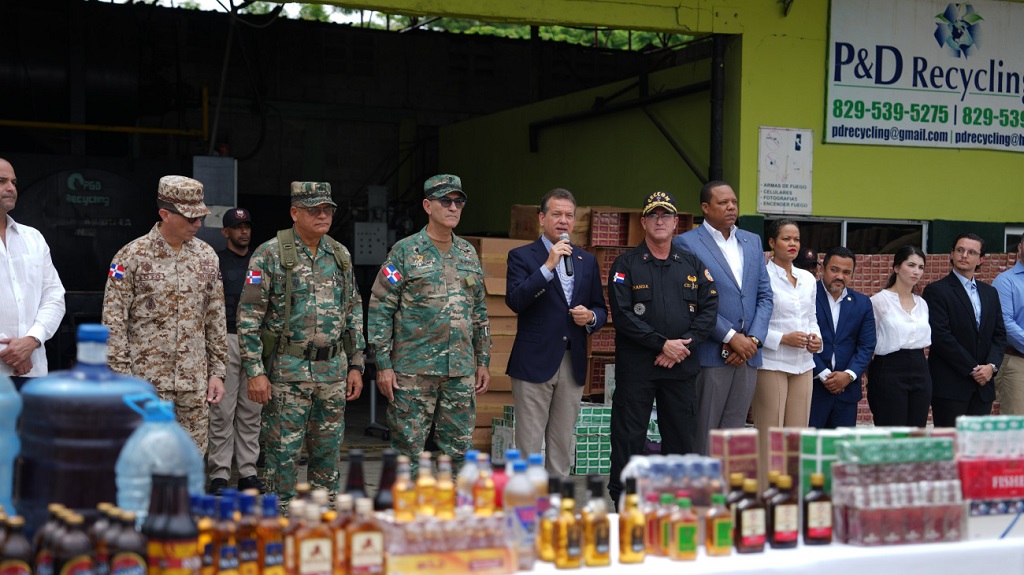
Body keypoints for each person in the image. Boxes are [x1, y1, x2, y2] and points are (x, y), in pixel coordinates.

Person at [237, 182, 365, 506]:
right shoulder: (269, 254)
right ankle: (278, 524)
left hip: (332, 374)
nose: (323, 215)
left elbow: (353, 310)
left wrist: (356, 364)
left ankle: (322, 522)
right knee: (282, 458)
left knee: (328, 458)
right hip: (287, 374)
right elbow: (249, 316)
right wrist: (255, 371)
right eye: (314, 210)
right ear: (295, 213)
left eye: (327, 209)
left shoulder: (339, 255)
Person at [368, 174, 491, 477]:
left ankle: (454, 506)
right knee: (407, 453)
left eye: (459, 202)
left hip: (459, 371)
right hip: (413, 372)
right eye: (445, 201)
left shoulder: (467, 253)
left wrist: (483, 360)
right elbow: (380, 307)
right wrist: (382, 364)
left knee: (458, 453)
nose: (453, 207)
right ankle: (408, 506)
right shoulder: (405, 251)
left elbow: (479, 310)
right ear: (427, 205)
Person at [607, 191, 718, 507]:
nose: (660, 221)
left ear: (675, 223)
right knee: (628, 439)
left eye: (666, 215)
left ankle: (676, 505)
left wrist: (683, 346)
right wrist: (662, 344)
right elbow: (623, 316)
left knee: (681, 440)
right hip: (637, 370)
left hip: (680, 367)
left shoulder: (692, 264)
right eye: (653, 215)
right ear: (643, 222)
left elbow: (709, 309)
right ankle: (625, 502)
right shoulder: (626, 264)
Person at [102, 175, 226, 452]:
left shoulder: (207, 257)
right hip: (145, 385)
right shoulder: (131, 256)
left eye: (200, 217)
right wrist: (121, 378)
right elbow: (113, 321)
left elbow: (215, 318)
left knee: (190, 460)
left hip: (193, 384)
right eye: (190, 218)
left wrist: (217, 373)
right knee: (144, 458)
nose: (198, 224)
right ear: (165, 214)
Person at [505, 188, 607, 479]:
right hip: (534, 361)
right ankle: (526, 499)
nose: (564, 220)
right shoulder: (522, 256)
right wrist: (548, 266)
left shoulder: (586, 260)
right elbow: (515, 300)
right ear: (542, 218)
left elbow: (600, 308)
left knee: (562, 444)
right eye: (557, 214)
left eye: (569, 215)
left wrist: (591, 317)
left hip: (572, 361)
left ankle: (556, 498)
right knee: (529, 443)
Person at [674, 181, 772, 455]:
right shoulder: (687, 243)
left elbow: (764, 295)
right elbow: (692, 300)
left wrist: (752, 340)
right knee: (705, 435)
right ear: (705, 208)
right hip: (711, 353)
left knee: (734, 436)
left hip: (748, 355)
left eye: (734, 202)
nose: (731, 207)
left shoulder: (752, 241)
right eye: (723, 202)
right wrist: (730, 337)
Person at [753, 220, 821, 481]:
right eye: (786, 239)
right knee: (770, 435)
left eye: (797, 239)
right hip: (772, 362)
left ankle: (791, 494)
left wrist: (817, 339)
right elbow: (753, 322)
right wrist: (783, 338)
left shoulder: (807, 278)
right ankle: (765, 494)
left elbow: (812, 317)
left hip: (804, 363)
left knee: (797, 437)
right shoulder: (762, 275)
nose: (793, 244)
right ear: (772, 243)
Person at [922, 233, 1006, 426]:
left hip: (983, 386)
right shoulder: (936, 290)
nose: (964, 255)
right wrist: (973, 369)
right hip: (951, 386)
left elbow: (999, 335)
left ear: (981, 259)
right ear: (951, 254)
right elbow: (941, 337)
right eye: (960, 250)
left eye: (971, 252)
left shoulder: (990, 293)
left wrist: (991, 366)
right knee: (951, 442)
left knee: (977, 444)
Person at [208, 208, 264, 495]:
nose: (244, 231)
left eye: (247, 226)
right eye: (238, 227)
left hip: (255, 341)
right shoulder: (215, 261)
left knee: (252, 412)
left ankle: (248, 473)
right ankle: (219, 474)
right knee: (222, 412)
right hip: (226, 339)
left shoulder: (260, 261)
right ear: (225, 232)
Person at [0, 158, 66, 388]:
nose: (11, 188)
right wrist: (10, 352)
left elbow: (54, 296)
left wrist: (32, 340)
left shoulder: (33, 238)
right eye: (1, 181)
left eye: (14, 182)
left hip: (32, 372)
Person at [808, 247, 876, 429]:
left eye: (846, 272)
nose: (840, 276)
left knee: (842, 445)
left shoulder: (862, 303)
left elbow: (867, 346)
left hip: (846, 391)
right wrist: (824, 374)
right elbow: (803, 339)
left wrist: (849, 375)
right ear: (823, 268)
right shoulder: (807, 295)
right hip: (812, 388)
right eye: (834, 270)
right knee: (809, 444)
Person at [867, 245, 931, 426]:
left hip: (920, 368)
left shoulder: (922, 303)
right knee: (892, 430)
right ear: (896, 267)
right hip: (889, 369)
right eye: (911, 265)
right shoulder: (878, 301)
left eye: (920, 267)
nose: (916, 271)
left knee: (917, 431)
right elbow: (866, 342)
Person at [994, 237, 1024, 415]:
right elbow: (1005, 323)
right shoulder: (1005, 281)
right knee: (1018, 424)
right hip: (1017, 362)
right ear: (1020, 247)